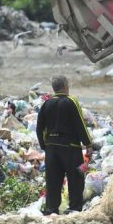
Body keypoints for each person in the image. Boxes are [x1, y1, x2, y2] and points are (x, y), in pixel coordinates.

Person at [36, 76, 92, 215]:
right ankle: (74, 208)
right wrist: (88, 144)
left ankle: (51, 208)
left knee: (53, 179)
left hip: (52, 148)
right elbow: (80, 124)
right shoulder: (71, 102)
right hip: (70, 147)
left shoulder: (47, 104)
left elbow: (39, 128)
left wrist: (45, 145)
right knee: (75, 178)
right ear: (66, 86)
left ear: (54, 88)